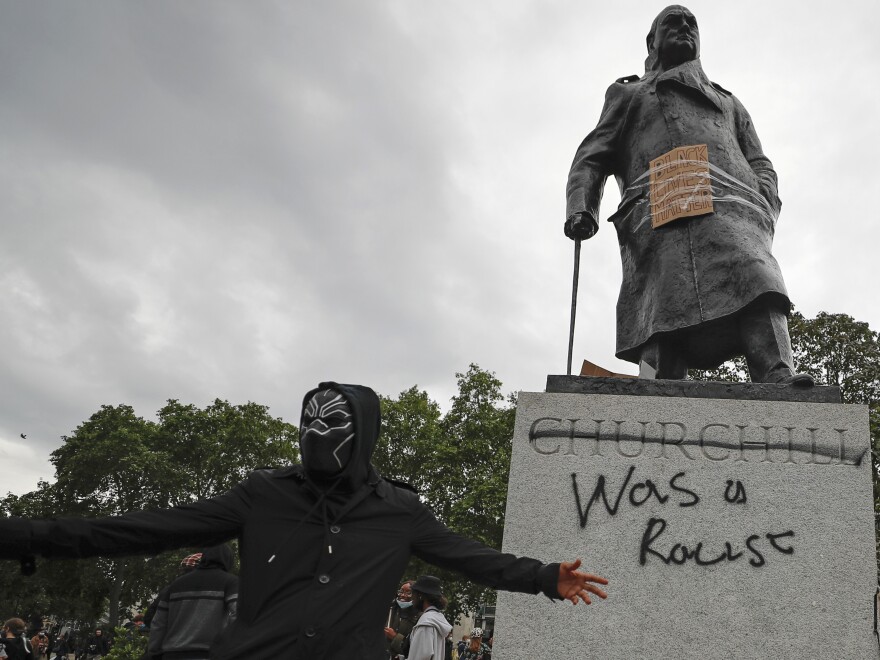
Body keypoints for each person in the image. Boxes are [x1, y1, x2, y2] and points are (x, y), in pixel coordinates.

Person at [0, 382, 608, 659]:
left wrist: (544, 576)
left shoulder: (400, 511)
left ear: (363, 434)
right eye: (308, 424)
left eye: (333, 425)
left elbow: (470, 557)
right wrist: (27, 534)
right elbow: (145, 527)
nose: (317, 438)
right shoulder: (262, 495)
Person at [565, 5, 813, 386]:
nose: (684, 28)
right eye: (673, 23)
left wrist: (764, 198)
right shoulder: (630, 94)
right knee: (661, 304)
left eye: (691, 23)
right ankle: (657, 380)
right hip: (660, 208)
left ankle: (777, 370)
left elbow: (760, 161)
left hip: (732, 208)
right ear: (653, 41)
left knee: (757, 275)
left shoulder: (728, 102)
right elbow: (592, 157)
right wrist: (582, 207)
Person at [147, 544, 238, 660]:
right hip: (210, 654)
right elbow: (239, 615)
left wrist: (154, 653)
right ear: (228, 560)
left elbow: (158, 623)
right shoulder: (230, 582)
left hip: (172, 655)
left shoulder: (175, 585)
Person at [405, 576, 451, 660]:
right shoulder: (436, 618)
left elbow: (420, 656)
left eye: (413, 594)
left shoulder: (426, 623)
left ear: (420, 595)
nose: (412, 598)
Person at [384, 580, 418, 660]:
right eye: (401, 591)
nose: (403, 595)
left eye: (408, 593)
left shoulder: (419, 617)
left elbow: (414, 646)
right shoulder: (391, 610)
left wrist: (395, 637)